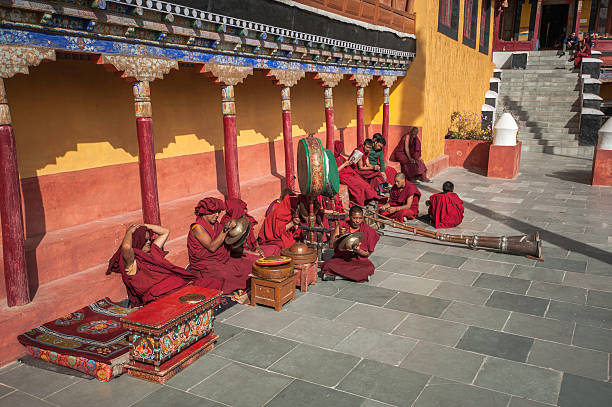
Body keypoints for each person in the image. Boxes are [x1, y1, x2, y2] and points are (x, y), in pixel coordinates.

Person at [107, 223, 221, 307]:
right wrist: (129, 232)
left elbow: (165, 231)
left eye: (149, 239)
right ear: (137, 241)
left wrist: (144, 226)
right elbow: (126, 248)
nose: (148, 242)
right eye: (145, 239)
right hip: (162, 295)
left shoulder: (153, 252)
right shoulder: (133, 262)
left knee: (213, 283)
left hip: (181, 286)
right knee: (180, 304)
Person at [188, 197, 253, 295]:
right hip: (206, 266)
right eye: (213, 213)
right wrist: (225, 230)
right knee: (225, 275)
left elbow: (227, 244)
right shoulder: (197, 227)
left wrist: (250, 251)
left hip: (222, 260)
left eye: (218, 212)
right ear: (204, 213)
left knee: (247, 266)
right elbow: (212, 247)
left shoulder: (216, 224)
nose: (217, 215)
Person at [320, 205, 379, 282]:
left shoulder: (368, 230)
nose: (357, 221)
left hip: (358, 260)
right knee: (327, 265)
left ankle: (338, 276)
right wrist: (340, 237)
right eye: (354, 218)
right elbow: (331, 245)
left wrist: (358, 251)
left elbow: (367, 254)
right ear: (350, 217)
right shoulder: (342, 226)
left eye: (360, 218)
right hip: (341, 258)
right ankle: (354, 276)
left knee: (369, 268)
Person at [333, 140, 380, 206]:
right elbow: (335, 171)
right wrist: (344, 164)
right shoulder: (332, 159)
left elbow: (367, 164)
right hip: (343, 176)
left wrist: (348, 163)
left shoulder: (340, 156)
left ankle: (371, 197)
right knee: (358, 186)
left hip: (349, 173)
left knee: (363, 183)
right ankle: (363, 201)